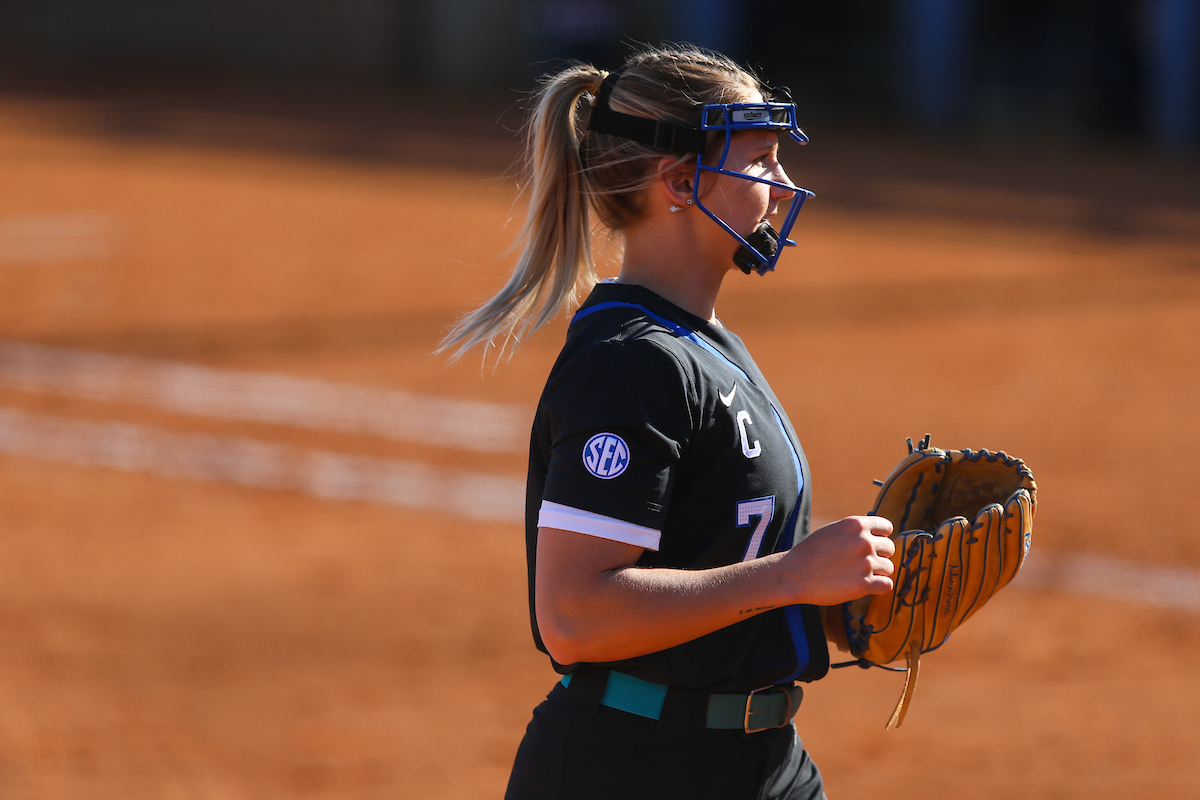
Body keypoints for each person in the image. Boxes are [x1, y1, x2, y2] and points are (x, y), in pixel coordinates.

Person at [440, 43, 897, 800]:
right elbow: (576, 615)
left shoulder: (704, 347)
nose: (782, 187)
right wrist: (790, 576)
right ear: (681, 182)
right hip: (633, 767)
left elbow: (722, 568)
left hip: (761, 763)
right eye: (760, 161)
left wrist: (854, 607)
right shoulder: (631, 363)